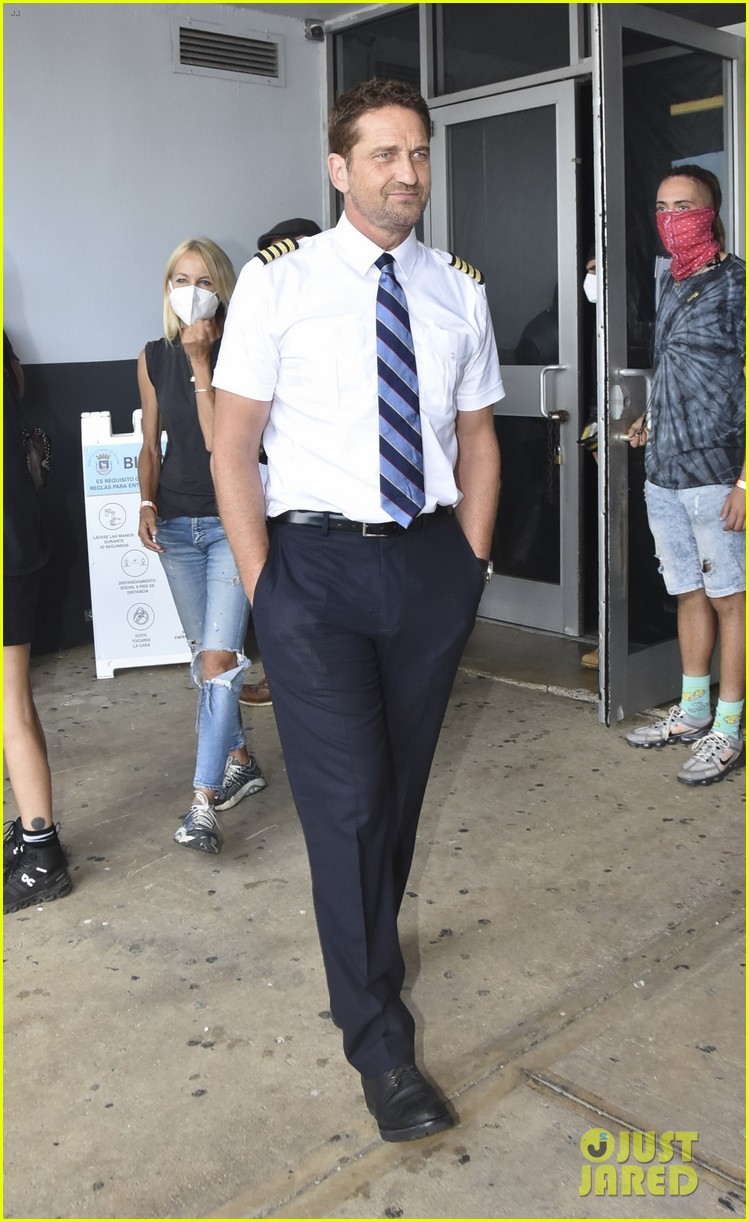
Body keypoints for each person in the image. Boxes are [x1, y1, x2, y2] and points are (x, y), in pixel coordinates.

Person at [212, 78, 503, 1142]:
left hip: (426, 567)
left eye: (418, 152)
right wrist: (265, 588)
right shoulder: (277, 284)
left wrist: (467, 567)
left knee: (398, 795)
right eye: (383, 154)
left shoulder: (456, 290)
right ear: (339, 169)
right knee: (347, 807)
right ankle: (379, 1045)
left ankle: (365, 948)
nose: (406, 172)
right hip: (315, 573)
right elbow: (232, 446)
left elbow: (477, 438)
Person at [137, 239, 266, 854]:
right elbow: (150, 440)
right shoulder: (150, 356)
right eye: (180, 279)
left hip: (227, 524)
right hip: (176, 526)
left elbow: (222, 446)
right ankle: (240, 760)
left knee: (218, 661)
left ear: (224, 288)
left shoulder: (241, 349)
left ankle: (202, 804)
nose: (191, 291)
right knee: (204, 659)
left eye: (205, 280)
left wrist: (200, 361)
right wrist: (146, 502)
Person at [625, 166, 745, 785]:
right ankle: (694, 711)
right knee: (687, 593)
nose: (671, 218)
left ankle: (729, 727)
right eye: (661, 207)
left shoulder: (738, 283)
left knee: (730, 600)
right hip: (664, 472)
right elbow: (677, 366)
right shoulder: (669, 280)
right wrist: (650, 418)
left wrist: (746, 483)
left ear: (711, 212)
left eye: (684, 206)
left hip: (718, 476)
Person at [239, 217, 323, 711]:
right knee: (279, 584)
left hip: (315, 491)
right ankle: (281, 671)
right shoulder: (259, 311)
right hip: (267, 476)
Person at [3, 332, 73, 913]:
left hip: (9, 548)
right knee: (16, 702)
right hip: (18, 539)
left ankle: (42, 853)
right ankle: (32, 832)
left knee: (12, 706)